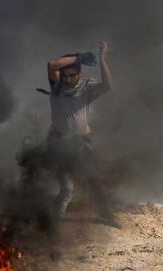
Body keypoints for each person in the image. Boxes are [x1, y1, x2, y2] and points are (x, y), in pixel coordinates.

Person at [46, 41, 113, 218]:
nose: (67, 79)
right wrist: (79, 57)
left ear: (79, 74)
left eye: (72, 75)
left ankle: (106, 216)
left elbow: (107, 86)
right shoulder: (57, 89)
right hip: (60, 144)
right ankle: (54, 225)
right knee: (67, 189)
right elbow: (52, 65)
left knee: (95, 181)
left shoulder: (86, 89)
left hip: (82, 144)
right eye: (65, 75)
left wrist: (102, 58)